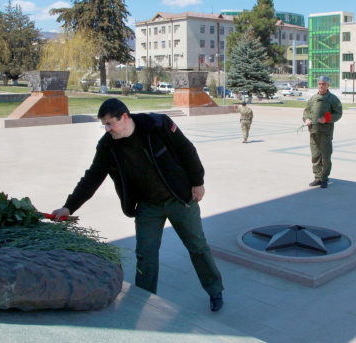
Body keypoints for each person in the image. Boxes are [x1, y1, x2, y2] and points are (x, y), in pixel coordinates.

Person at [50, 99, 225, 311]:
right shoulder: (108, 145)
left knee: (197, 247)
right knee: (145, 255)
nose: (107, 129)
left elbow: (187, 151)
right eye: (104, 125)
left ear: (124, 117)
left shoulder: (157, 125)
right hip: (147, 206)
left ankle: (215, 290)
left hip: (179, 199)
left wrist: (198, 182)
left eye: (109, 123)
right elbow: (92, 177)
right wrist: (69, 207)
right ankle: (144, 300)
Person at [302, 76, 343, 188]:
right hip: (314, 132)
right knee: (315, 156)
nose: (321, 85)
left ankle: (324, 178)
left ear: (328, 85)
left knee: (325, 156)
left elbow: (338, 113)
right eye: (319, 83)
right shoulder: (313, 98)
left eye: (323, 84)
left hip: (326, 132)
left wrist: (327, 119)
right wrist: (307, 119)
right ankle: (317, 178)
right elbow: (306, 111)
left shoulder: (333, 99)